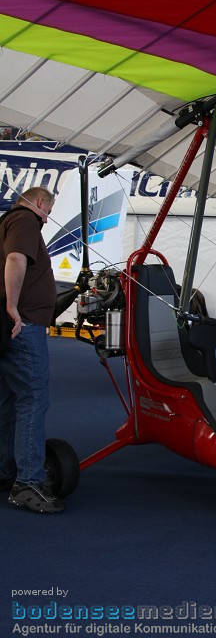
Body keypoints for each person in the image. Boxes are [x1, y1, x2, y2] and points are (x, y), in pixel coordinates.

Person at [0, 186, 64, 513]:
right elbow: (15, 259)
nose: (47, 218)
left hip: (10, 326)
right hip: (21, 325)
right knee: (33, 397)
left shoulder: (7, 222)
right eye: (49, 212)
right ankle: (27, 482)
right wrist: (13, 306)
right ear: (41, 203)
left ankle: (4, 470)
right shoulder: (25, 220)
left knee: (8, 398)